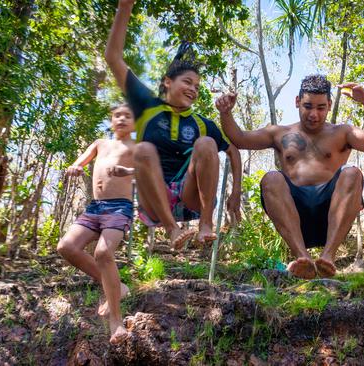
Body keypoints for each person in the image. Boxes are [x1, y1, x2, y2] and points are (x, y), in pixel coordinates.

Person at [216, 75, 364, 279]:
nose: (314, 114)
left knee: (352, 173)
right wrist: (226, 113)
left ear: (330, 106)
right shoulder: (279, 133)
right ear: (297, 102)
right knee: (271, 178)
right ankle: (303, 260)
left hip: (332, 215)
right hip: (295, 216)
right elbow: (240, 139)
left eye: (321, 107)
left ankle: (327, 258)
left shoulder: (342, 132)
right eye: (308, 106)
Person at [104, 0, 241, 248]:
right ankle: (172, 230)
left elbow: (232, 150)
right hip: (153, 201)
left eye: (197, 86)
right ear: (168, 82)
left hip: (189, 198)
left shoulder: (201, 122)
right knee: (144, 149)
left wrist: (236, 193)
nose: (193, 89)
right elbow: (113, 58)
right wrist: (124, 7)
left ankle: (206, 226)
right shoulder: (147, 106)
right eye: (187, 82)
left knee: (208, 143)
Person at [57, 104, 136, 344]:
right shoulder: (100, 143)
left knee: (103, 252)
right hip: (95, 208)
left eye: (128, 115)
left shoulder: (136, 146)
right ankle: (117, 286)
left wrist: (127, 170)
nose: (122, 118)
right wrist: (76, 167)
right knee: (66, 247)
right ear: (112, 121)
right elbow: (81, 161)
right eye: (117, 115)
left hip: (119, 207)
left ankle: (116, 321)